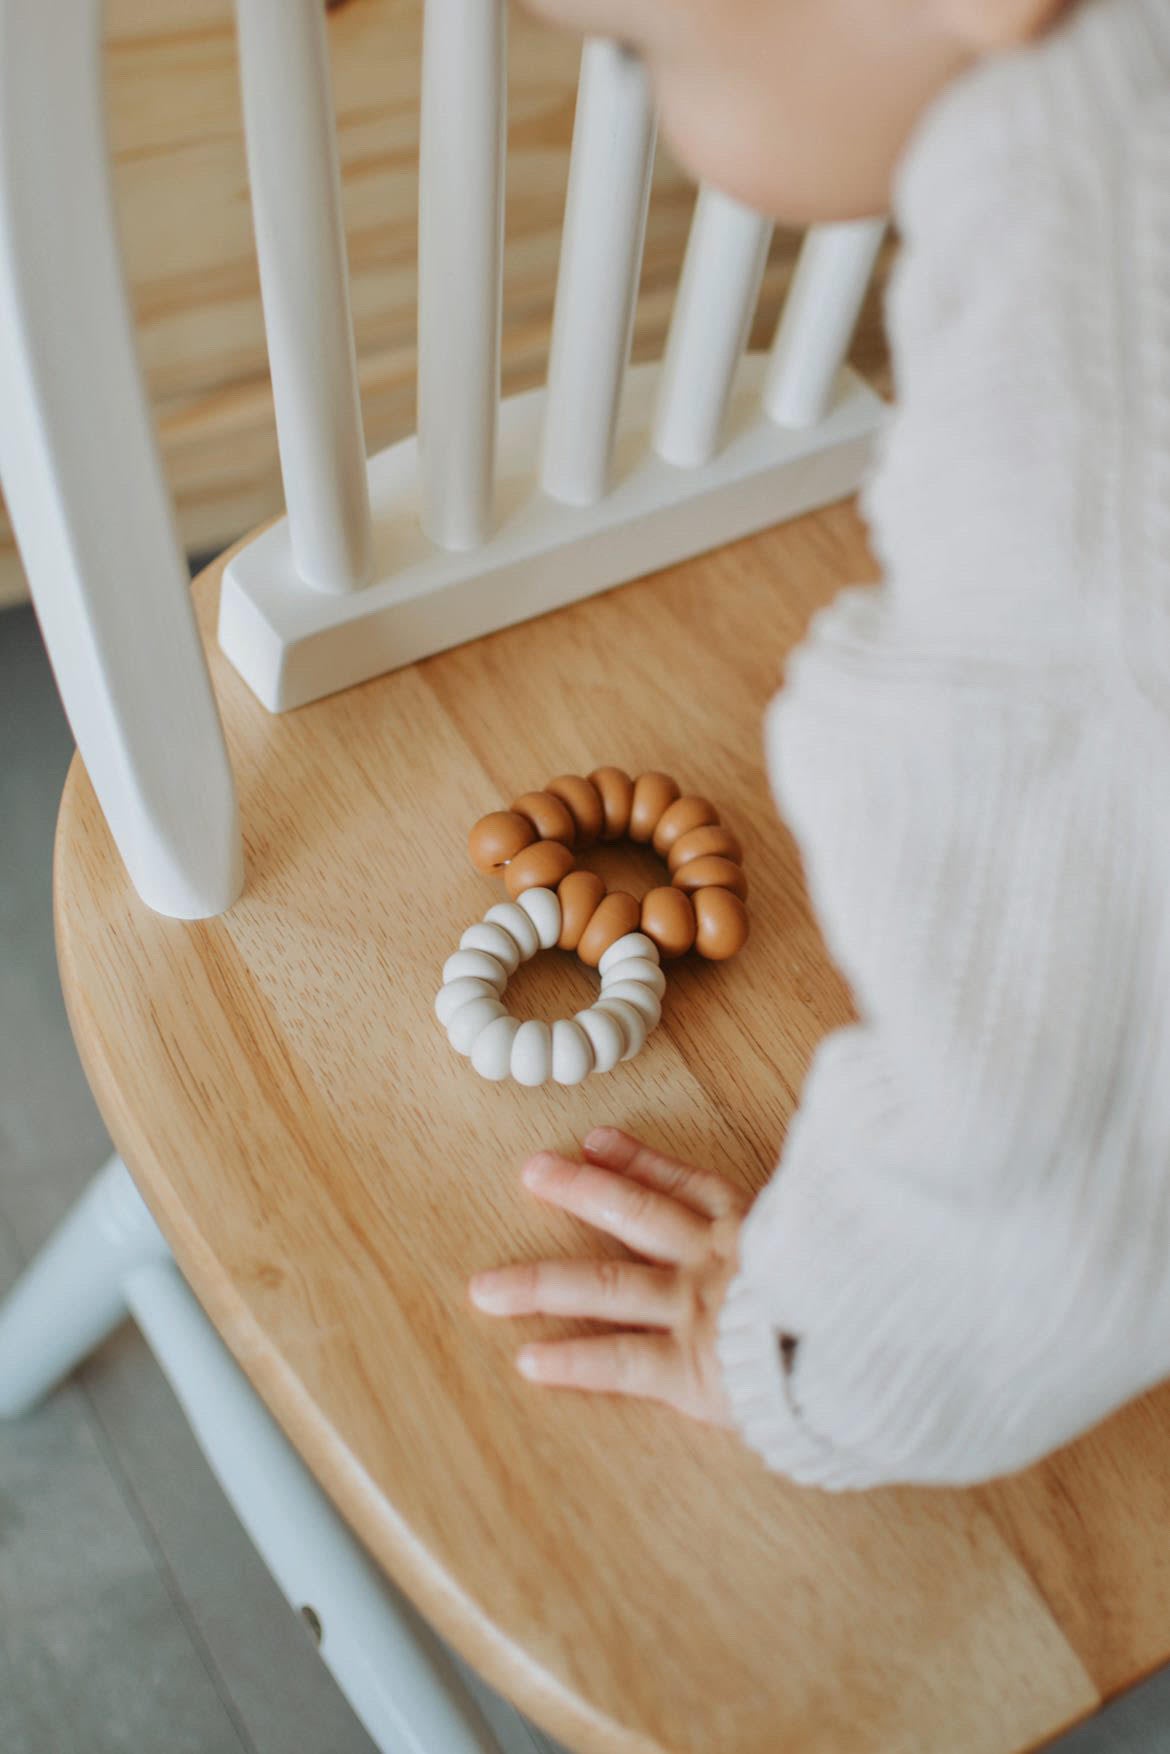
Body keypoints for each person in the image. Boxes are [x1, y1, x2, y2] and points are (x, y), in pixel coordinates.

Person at [471, 0, 1170, 1488]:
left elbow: (1064, 1171)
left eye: (644, 53)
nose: (658, 114)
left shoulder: (1077, 509)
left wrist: (808, 1352)